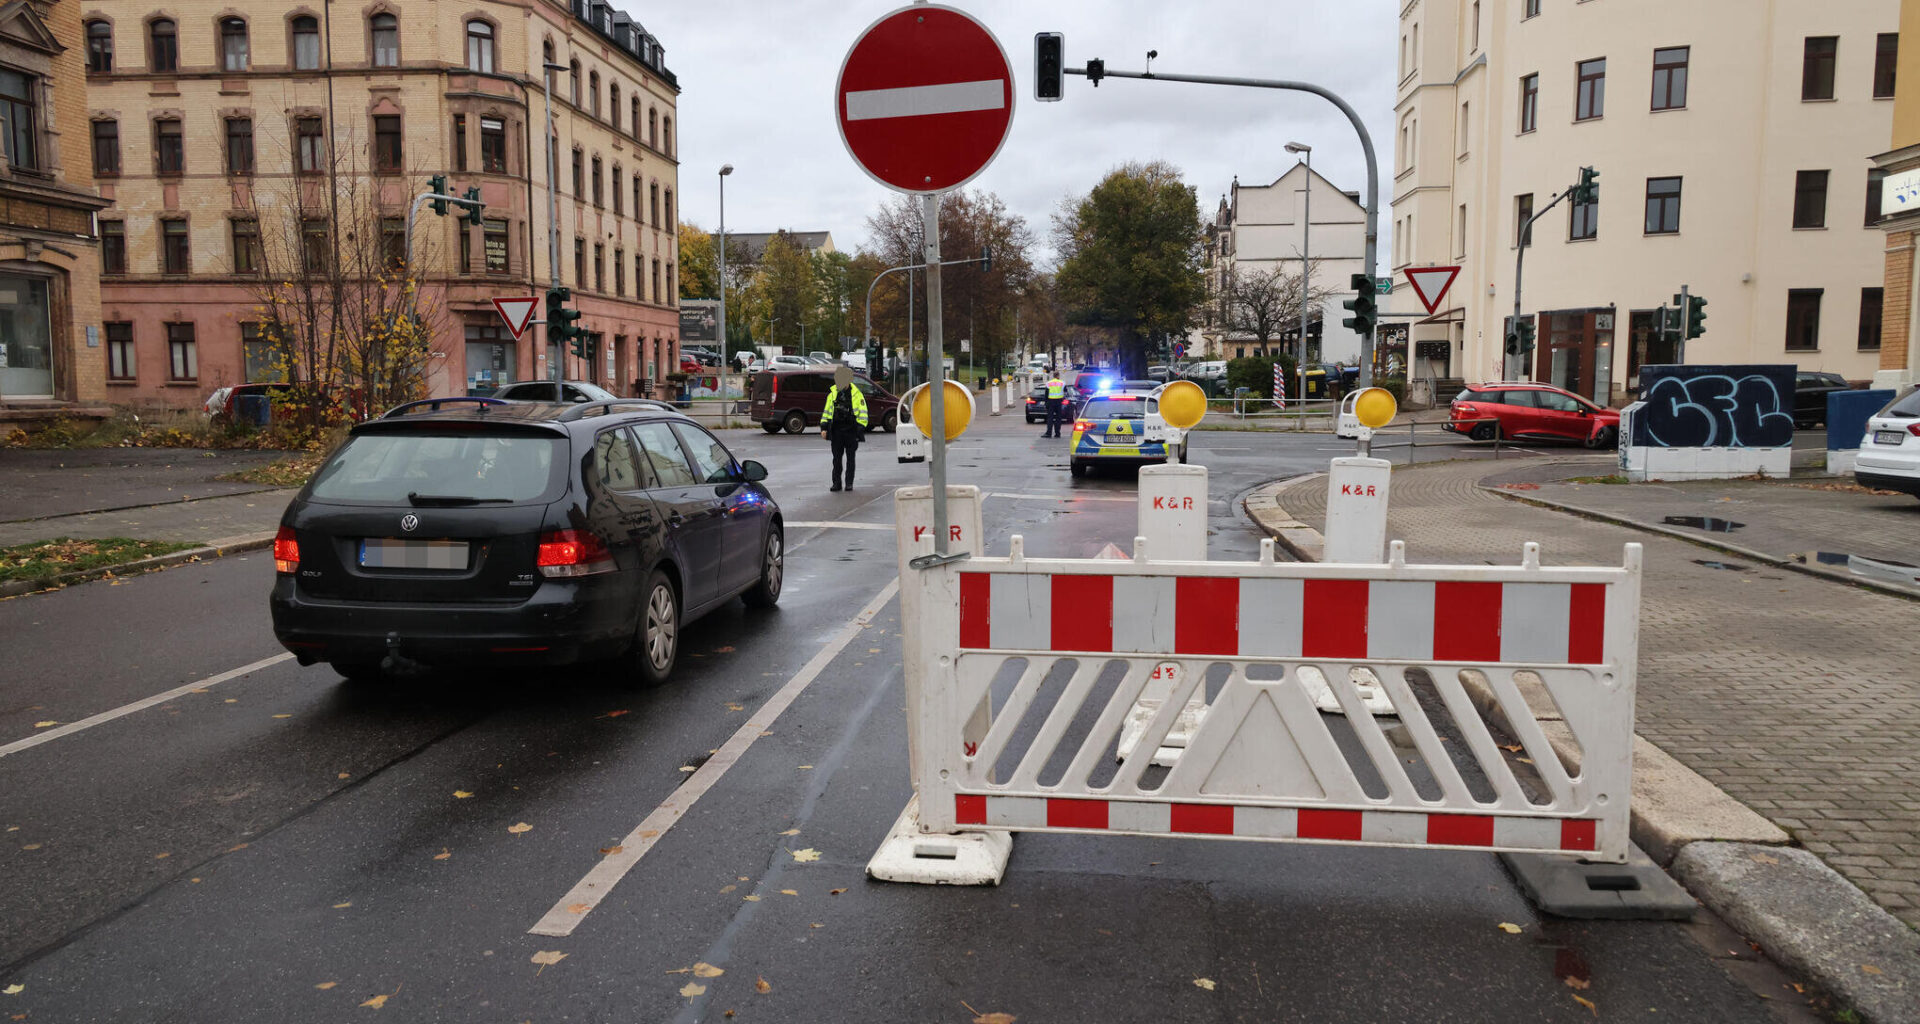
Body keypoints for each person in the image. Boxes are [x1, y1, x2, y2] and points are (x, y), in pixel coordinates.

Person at [821, 365, 868, 492]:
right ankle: (836, 483)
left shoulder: (857, 395)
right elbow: (826, 412)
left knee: (850, 459)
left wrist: (859, 429)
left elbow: (863, 414)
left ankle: (849, 483)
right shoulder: (832, 394)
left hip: (851, 431)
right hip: (836, 431)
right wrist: (824, 428)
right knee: (836, 460)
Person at [1041, 366, 1067, 438]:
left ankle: (1048, 433)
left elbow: (1046, 394)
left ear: (1053, 376)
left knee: (1050, 418)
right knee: (1058, 418)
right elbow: (1065, 392)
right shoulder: (1062, 383)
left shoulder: (1049, 383)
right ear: (1058, 376)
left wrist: (1046, 403)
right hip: (1059, 402)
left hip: (1051, 402)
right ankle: (1057, 433)